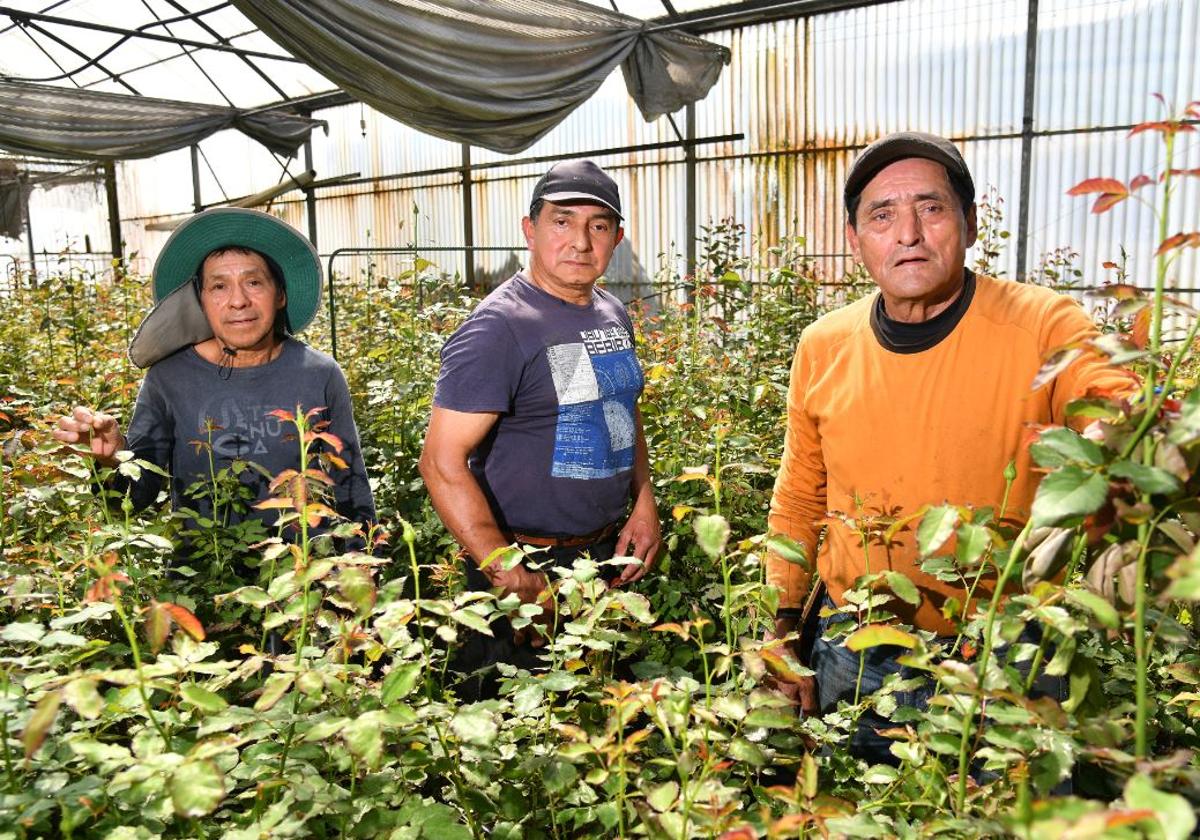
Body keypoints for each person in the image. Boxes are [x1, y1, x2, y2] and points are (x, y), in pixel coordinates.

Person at [765, 132, 1134, 761]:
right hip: (855, 649)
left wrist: (1122, 432)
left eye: (930, 209)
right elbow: (801, 494)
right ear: (856, 241)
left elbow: (1109, 397)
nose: (907, 232)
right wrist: (781, 626)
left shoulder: (1041, 323)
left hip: (1001, 651)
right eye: (881, 216)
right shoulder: (824, 344)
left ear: (968, 221)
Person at [420, 159, 661, 688]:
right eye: (561, 222)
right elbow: (441, 462)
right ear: (530, 229)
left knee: (594, 722)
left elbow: (619, 410)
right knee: (509, 725)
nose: (580, 241)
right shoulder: (500, 327)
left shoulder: (610, 312)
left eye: (598, 226)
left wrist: (643, 503)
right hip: (524, 562)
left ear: (616, 238)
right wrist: (506, 570)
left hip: (601, 559)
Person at [53, 207, 375, 547]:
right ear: (201, 301)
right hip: (203, 583)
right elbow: (132, 500)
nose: (238, 300)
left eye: (253, 282)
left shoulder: (320, 374)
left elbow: (351, 487)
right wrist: (112, 458)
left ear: (280, 294)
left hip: (303, 583)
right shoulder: (169, 378)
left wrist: (362, 574)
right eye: (219, 286)